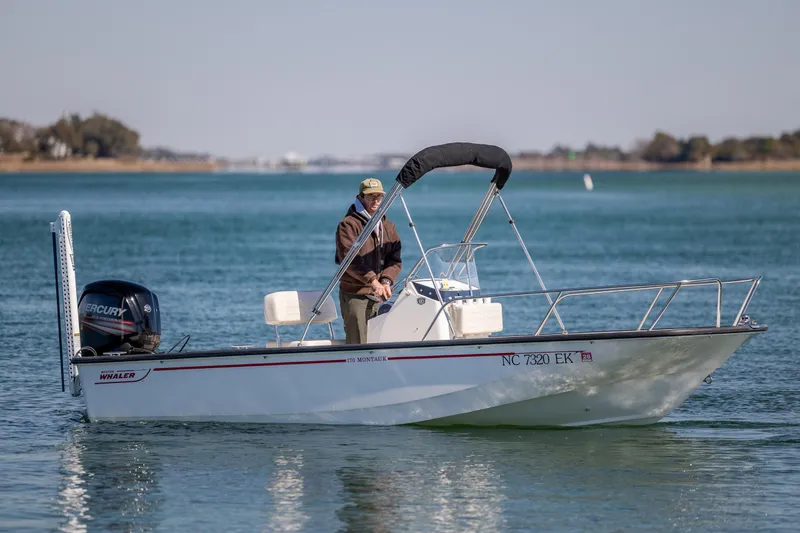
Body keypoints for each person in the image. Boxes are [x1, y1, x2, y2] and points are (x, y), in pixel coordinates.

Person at [335, 178, 402, 344]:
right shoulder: (348, 225)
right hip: (355, 295)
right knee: (357, 344)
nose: (376, 200)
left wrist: (386, 282)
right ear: (360, 197)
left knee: (381, 342)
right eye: (371, 196)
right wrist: (373, 281)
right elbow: (350, 259)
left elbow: (394, 259)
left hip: (378, 295)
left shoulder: (389, 227)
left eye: (379, 196)